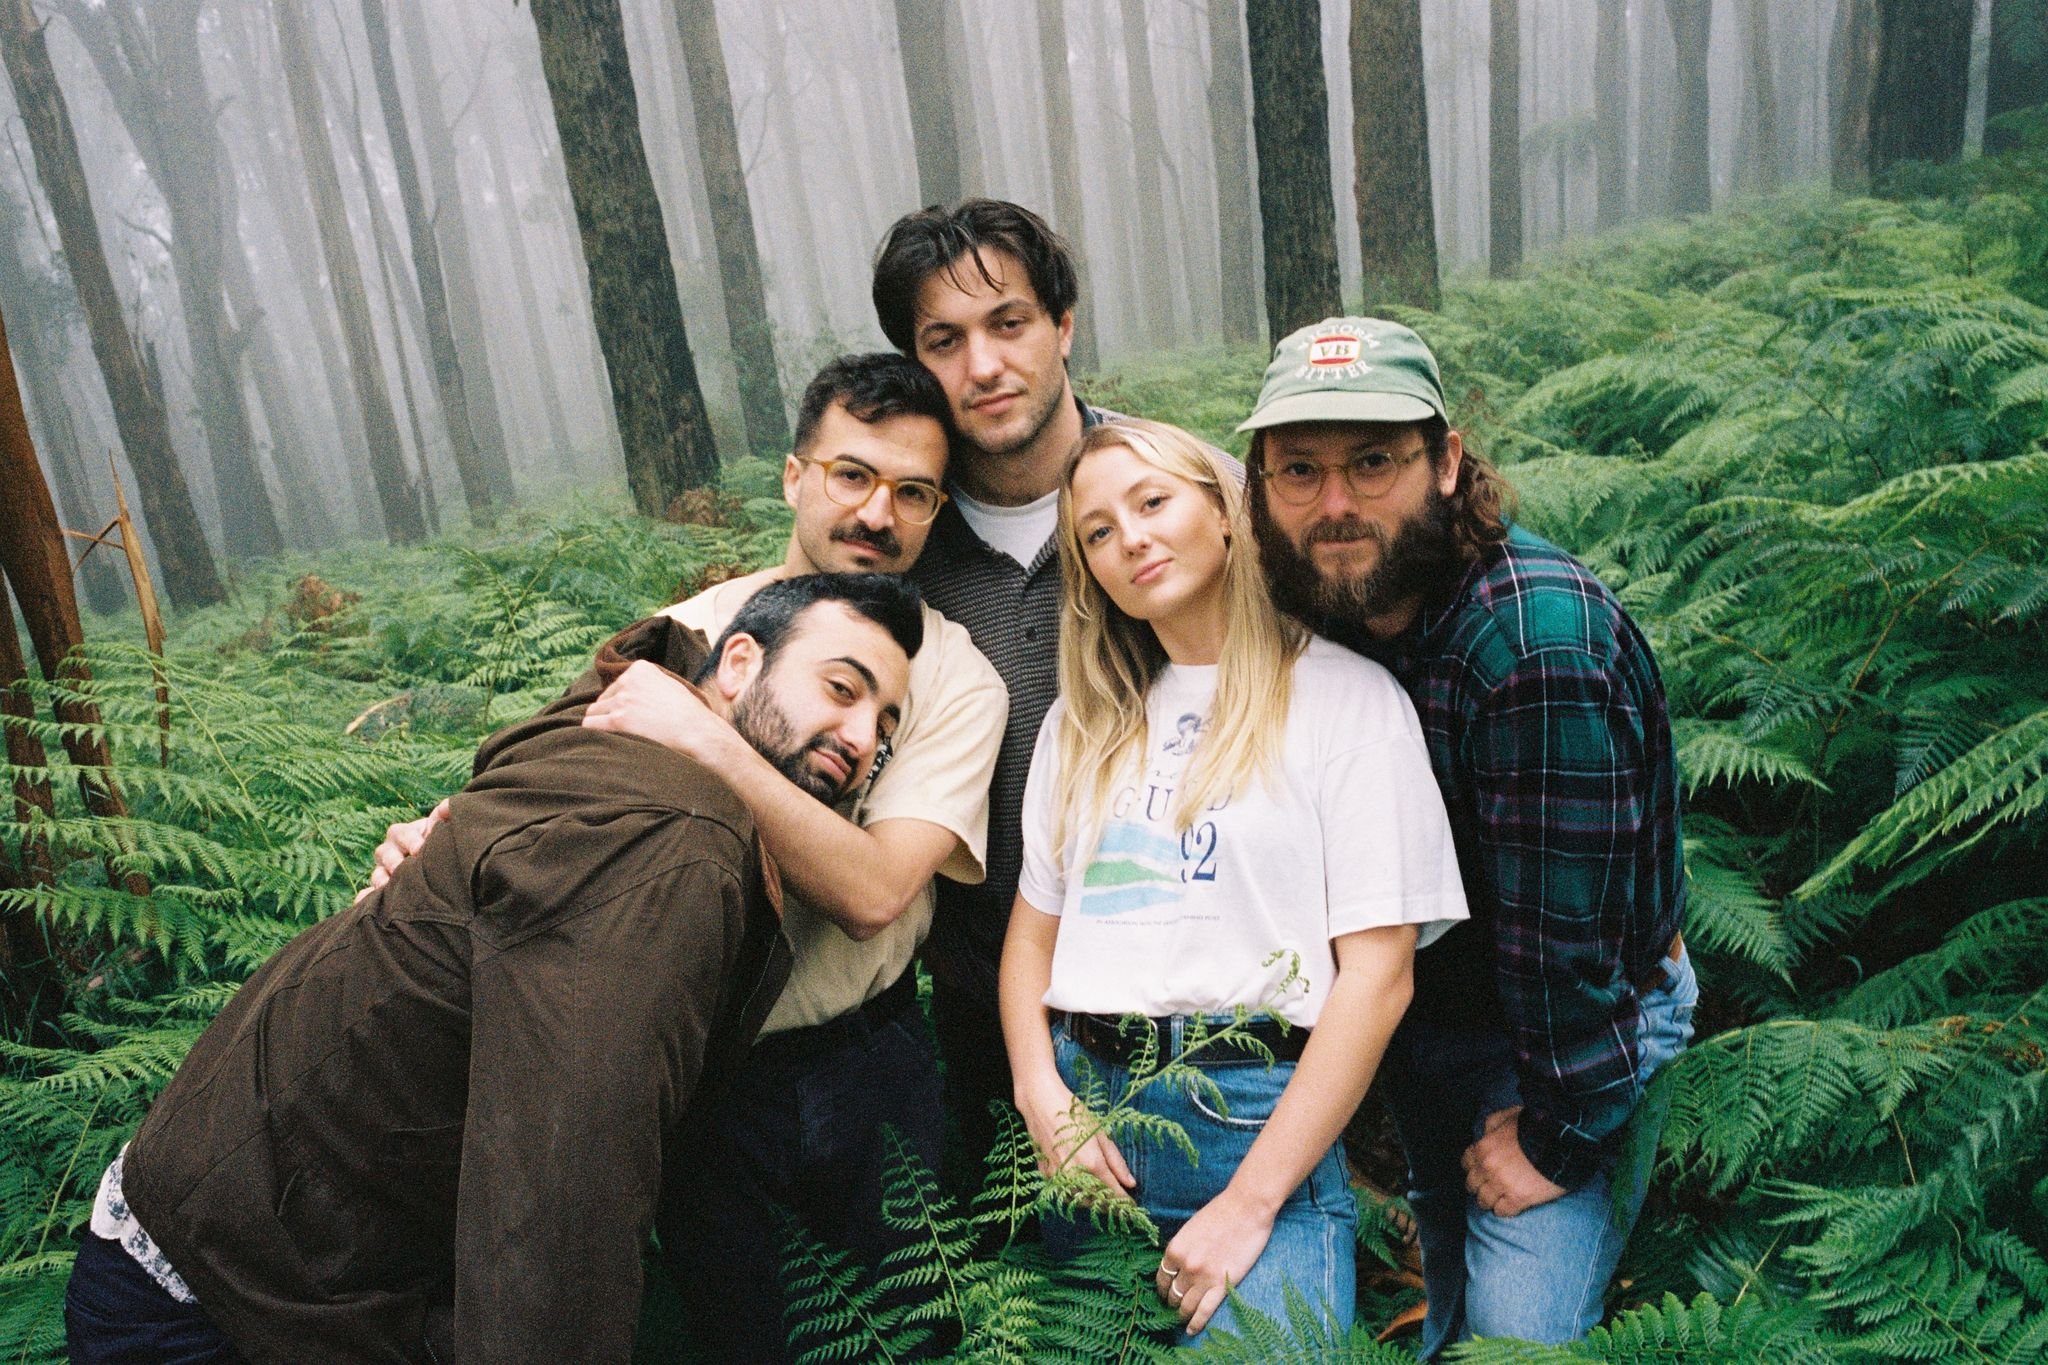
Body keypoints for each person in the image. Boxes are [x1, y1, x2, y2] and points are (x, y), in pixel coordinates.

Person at [64, 575, 923, 1365]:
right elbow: (559, 1197)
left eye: (885, 728)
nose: (861, 739)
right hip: (221, 1304)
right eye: (840, 689)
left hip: (231, 1228)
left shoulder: (621, 723)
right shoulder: (672, 842)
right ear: (736, 664)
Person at [366, 355, 1007, 1363]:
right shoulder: (695, 631)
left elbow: (876, 890)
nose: (877, 513)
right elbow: (555, 789)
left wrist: (706, 739)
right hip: (697, 1066)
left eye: (913, 492)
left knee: (910, 1337)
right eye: (851, 474)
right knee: (739, 1334)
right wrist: (438, 843)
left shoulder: (958, 676)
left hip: (867, 1068)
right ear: (794, 476)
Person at [1240, 316, 1695, 1353]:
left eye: (1372, 462)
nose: (1335, 504)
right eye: (1299, 470)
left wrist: (1555, 1139)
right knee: (1447, 1268)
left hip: (1579, 1032)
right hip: (1429, 1015)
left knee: (1516, 1334)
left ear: (1445, 463)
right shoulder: (1324, 607)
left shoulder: (1531, 647)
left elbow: (1568, 948)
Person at [998, 418, 1468, 1340]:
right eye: (1097, 531)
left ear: (1224, 510)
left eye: (1152, 501)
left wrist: (1250, 1203)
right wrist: (1040, 1094)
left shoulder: (1347, 702)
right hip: (1091, 1132)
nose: (1130, 538)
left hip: (1257, 1129)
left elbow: (1379, 978)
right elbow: (1030, 940)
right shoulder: (1082, 723)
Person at [872, 199, 1129, 1171]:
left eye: (1008, 322)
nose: (982, 366)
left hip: (1205, 1008)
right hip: (979, 1011)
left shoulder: (1177, 500)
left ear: (1063, 325)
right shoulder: (893, 541)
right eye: (944, 340)